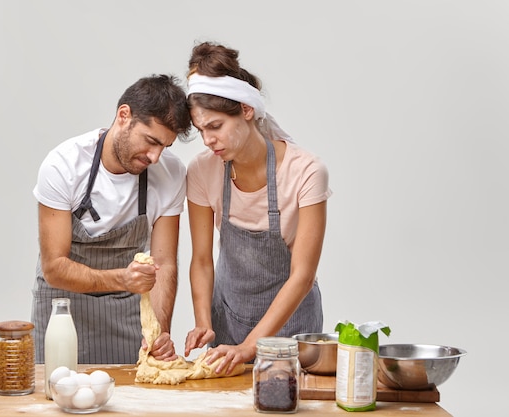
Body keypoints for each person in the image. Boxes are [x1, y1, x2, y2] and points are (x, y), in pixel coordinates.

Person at [183, 42, 332, 374]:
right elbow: (203, 260)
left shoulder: (306, 172)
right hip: (228, 325)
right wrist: (203, 322)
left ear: (246, 110)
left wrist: (250, 347)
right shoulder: (201, 171)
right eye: (201, 130)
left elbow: (303, 276)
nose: (208, 140)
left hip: (292, 331)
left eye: (215, 126)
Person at [31, 74, 192, 365]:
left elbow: (164, 263)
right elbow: (54, 266)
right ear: (123, 115)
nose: (155, 157)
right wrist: (123, 278)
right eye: (151, 141)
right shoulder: (64, 165)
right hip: (62, 306)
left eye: (164, 147)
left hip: (125, 314)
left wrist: (159, 333)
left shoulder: (170, 174)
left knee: (129, 403)